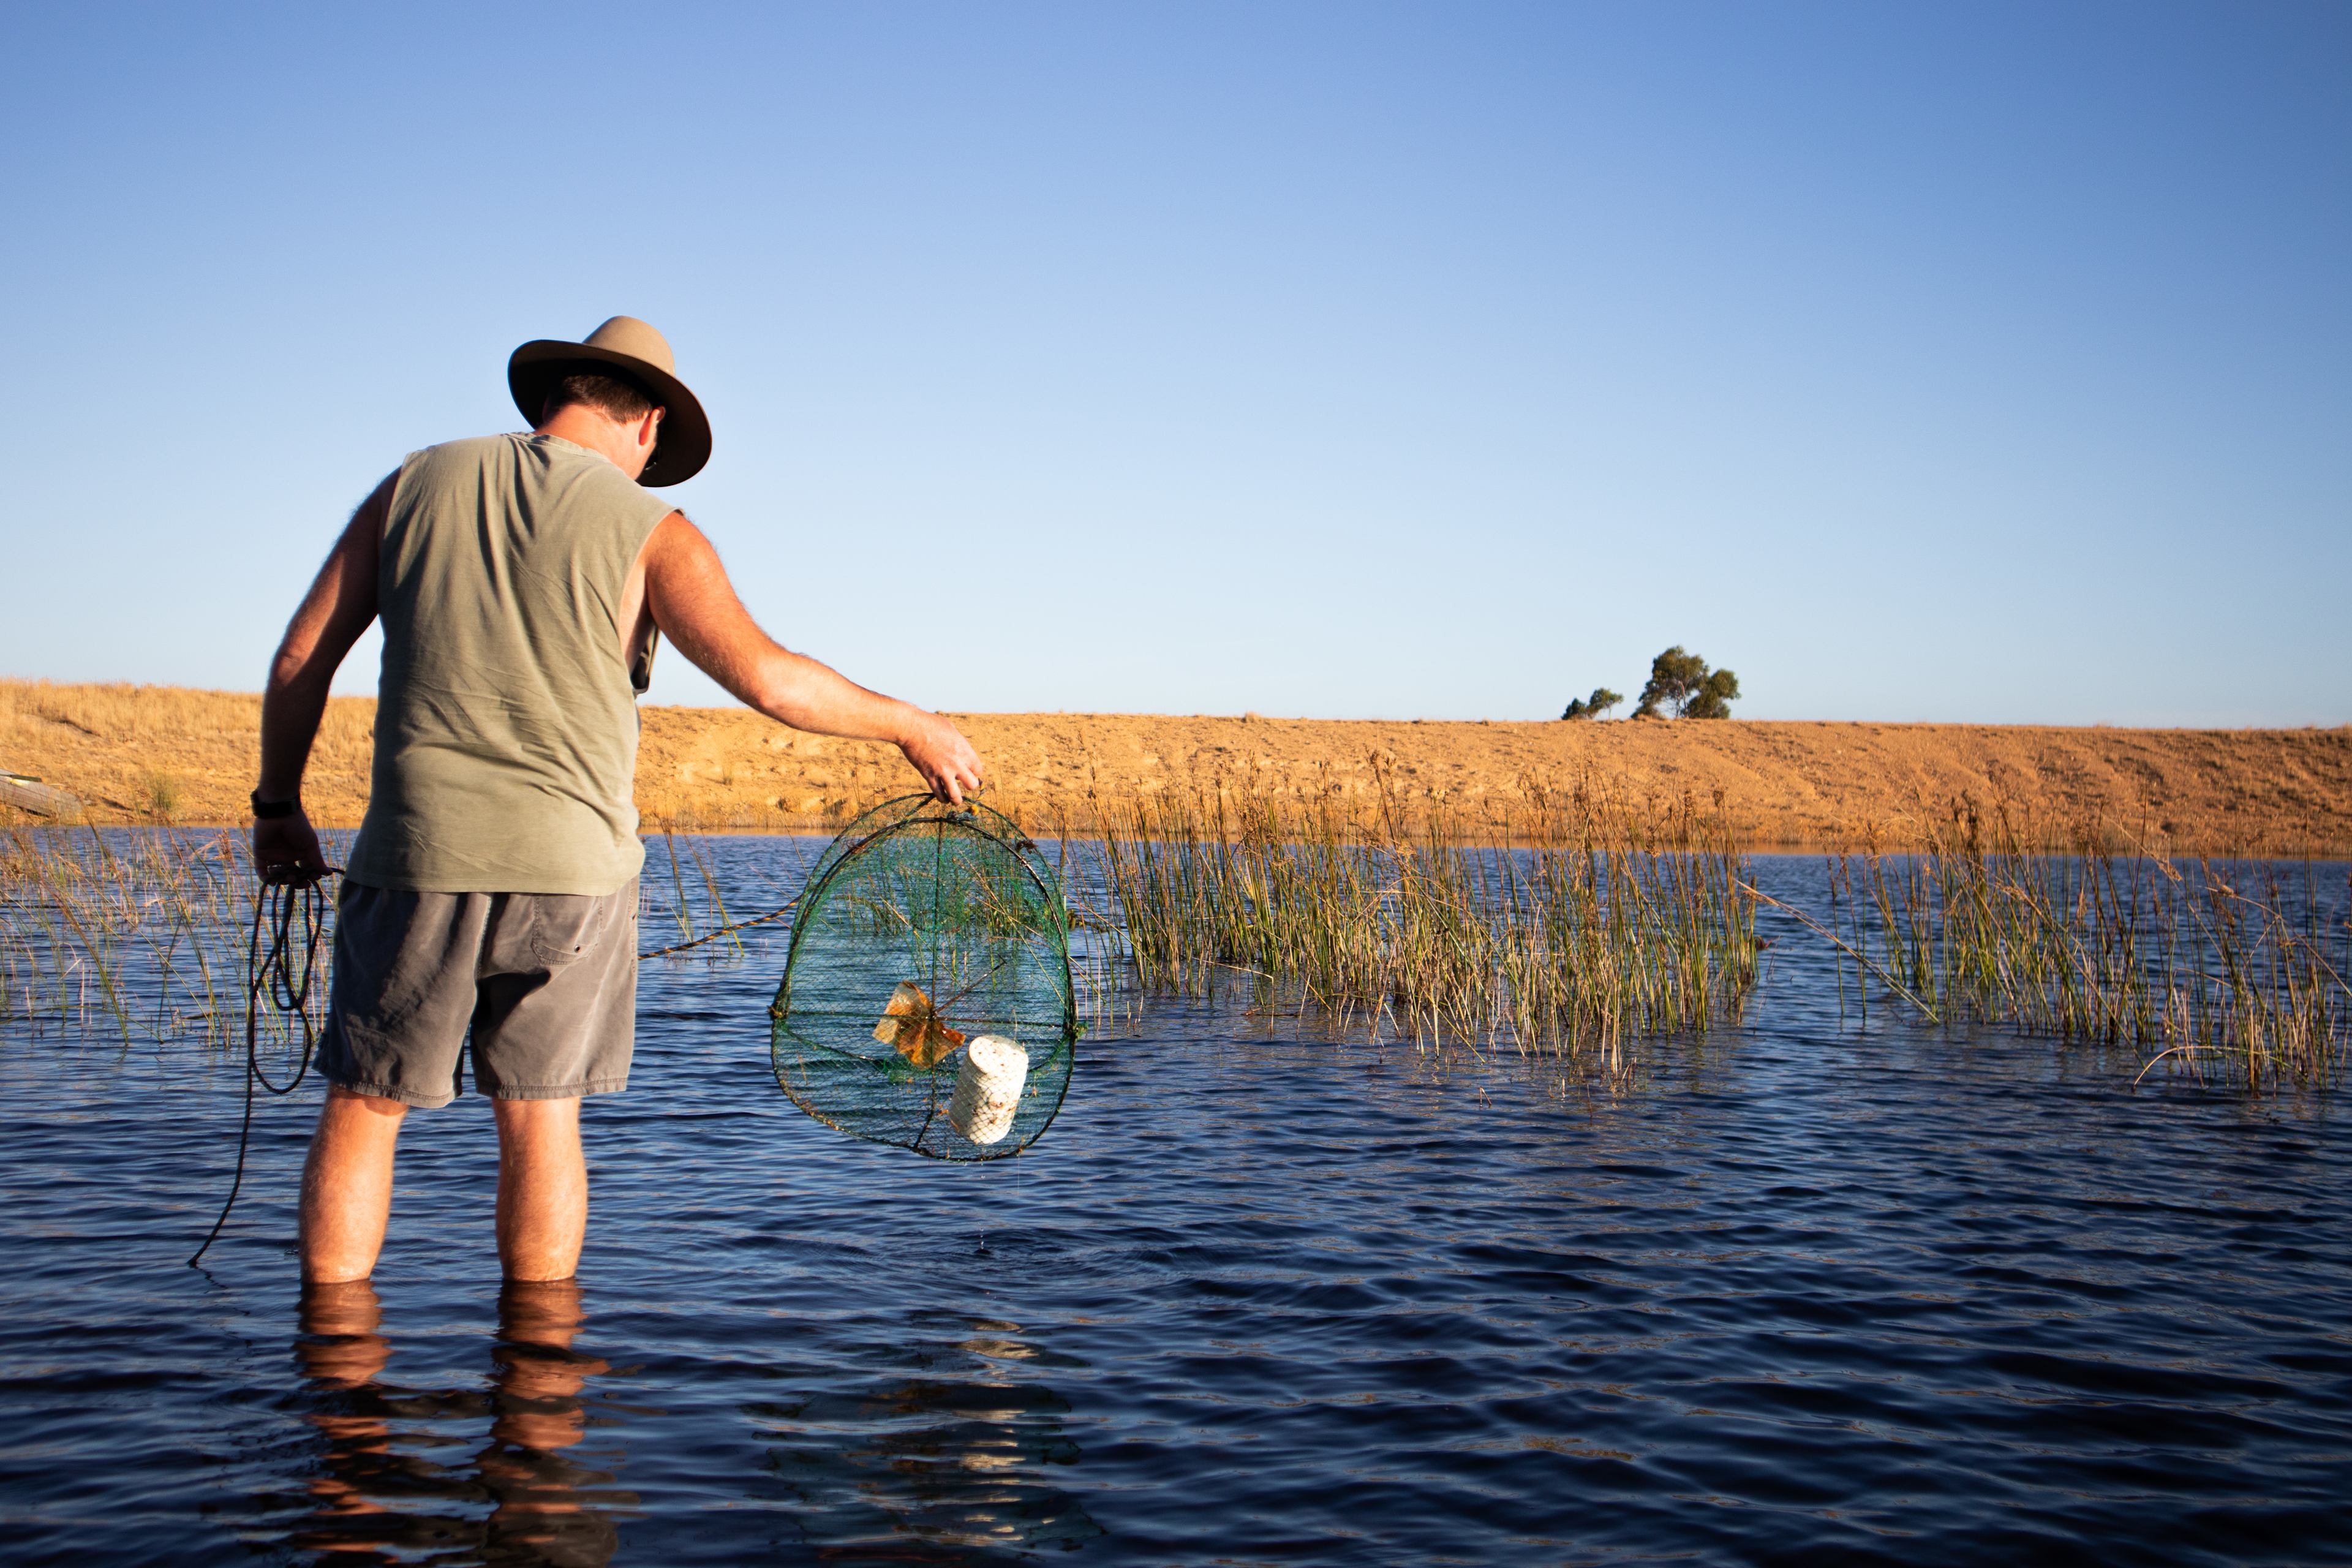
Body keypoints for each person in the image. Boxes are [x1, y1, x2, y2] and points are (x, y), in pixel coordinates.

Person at [254, 317, 981, 1285]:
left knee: (364, 1105)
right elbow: (771, 680)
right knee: (542, 1118)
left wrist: (277, 808)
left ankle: (332, 1359)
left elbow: (301, 659)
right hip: (574, 882)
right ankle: (538, 1365)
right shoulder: (656, 532)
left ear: (560, 394)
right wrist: (911, 726)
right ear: (647, 423)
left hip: (416, 860)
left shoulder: (413, 485)